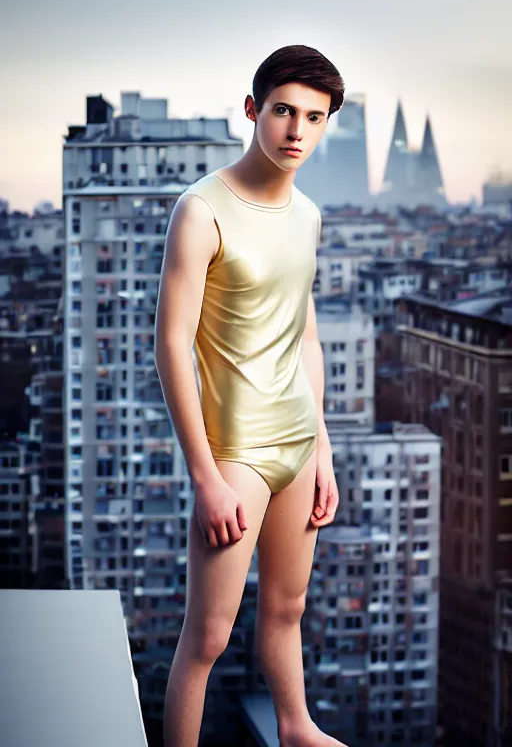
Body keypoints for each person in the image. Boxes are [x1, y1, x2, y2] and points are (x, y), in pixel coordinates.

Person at [155, 44, 348, 747]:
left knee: (287, 609)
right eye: (284, 112)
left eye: (315, 118)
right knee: (206, 636)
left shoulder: (309, 217)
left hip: (298, 442)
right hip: (233, 453)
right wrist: (204, 475)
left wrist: (322, 445)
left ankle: (296, 728)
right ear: (253, 111)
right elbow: (171, 344)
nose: (297, 130)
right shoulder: (201, 210)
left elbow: (305, 338)